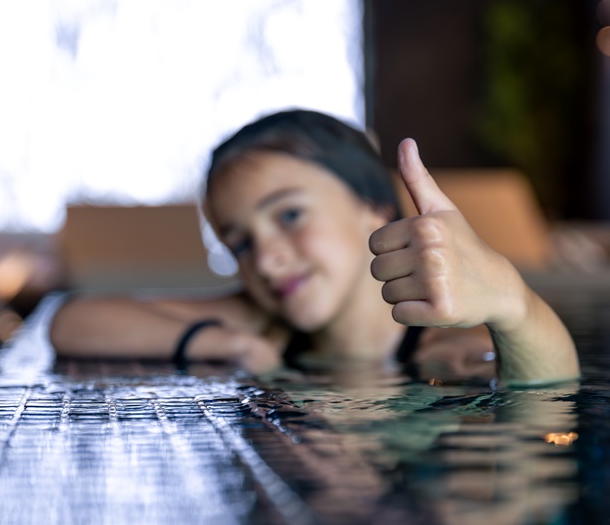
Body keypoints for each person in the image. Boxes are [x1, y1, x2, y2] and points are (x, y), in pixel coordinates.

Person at [48, 109, 580, 386]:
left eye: (290, 215)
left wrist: (514, 304)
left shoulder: (446, 350)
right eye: (239, 243)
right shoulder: (259, 322)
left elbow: (551, 389)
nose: (267, 258)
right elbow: (72, 322)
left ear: (374, 206)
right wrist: (224, 345)